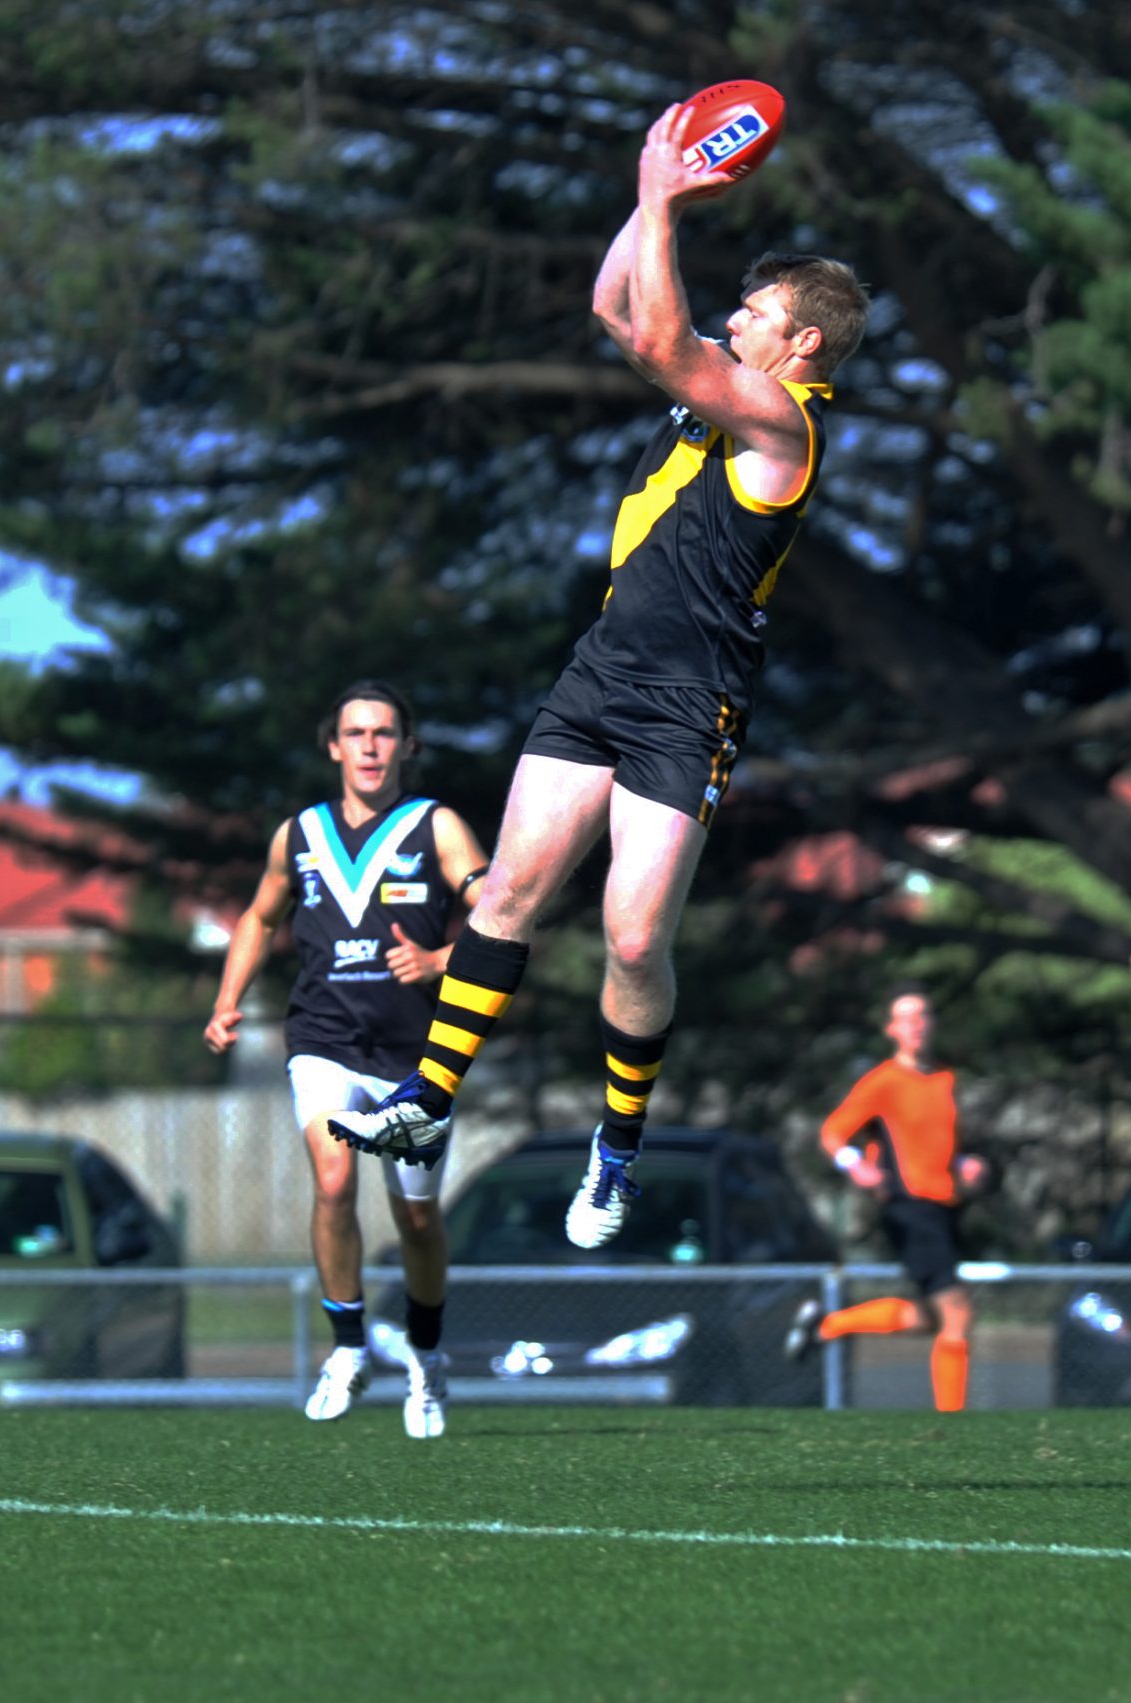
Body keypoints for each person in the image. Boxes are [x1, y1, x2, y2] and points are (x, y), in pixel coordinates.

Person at [331, 102, 869, 1255]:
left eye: (757, 313)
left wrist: (668, 201)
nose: (734, 317)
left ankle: (616, 1145)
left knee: (631, 939)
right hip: (604, 666)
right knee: (506, 893)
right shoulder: (723, 384)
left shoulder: (780, 421)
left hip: (690, 699)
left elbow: (662, 343)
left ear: (801, 347)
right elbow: (617, 308)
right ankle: (428, 1098)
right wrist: (647, 188)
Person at [204, 681, 487, 1440]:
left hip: (418, 1053)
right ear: (333, 747)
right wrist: (227, 1001)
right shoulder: (298, 834)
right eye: (355, 733)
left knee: (416, 1217)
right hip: (323, 1040)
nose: (369, 745)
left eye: (384, 732)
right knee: (333, 1182)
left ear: (408, 746)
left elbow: (503, 912)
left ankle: (426, 1356)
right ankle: (349, 1346)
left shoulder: (436, 826)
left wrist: (440, 960)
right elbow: (258, 917)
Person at [791, 987, 994, 1412]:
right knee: (957, 1311)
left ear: (933, 1024)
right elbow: (832, 1133)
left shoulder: (945, 1079)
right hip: (908, 1207)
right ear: (891, 1030)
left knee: (929, 1317)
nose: (916, 1025)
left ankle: (829, 1324)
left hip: (944, 1208)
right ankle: (954, 1423)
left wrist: (965, 1166)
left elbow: (938, 1146)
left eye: (922, 1016)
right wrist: (855, 1166)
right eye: (906, 1018)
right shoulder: (883, 1081)